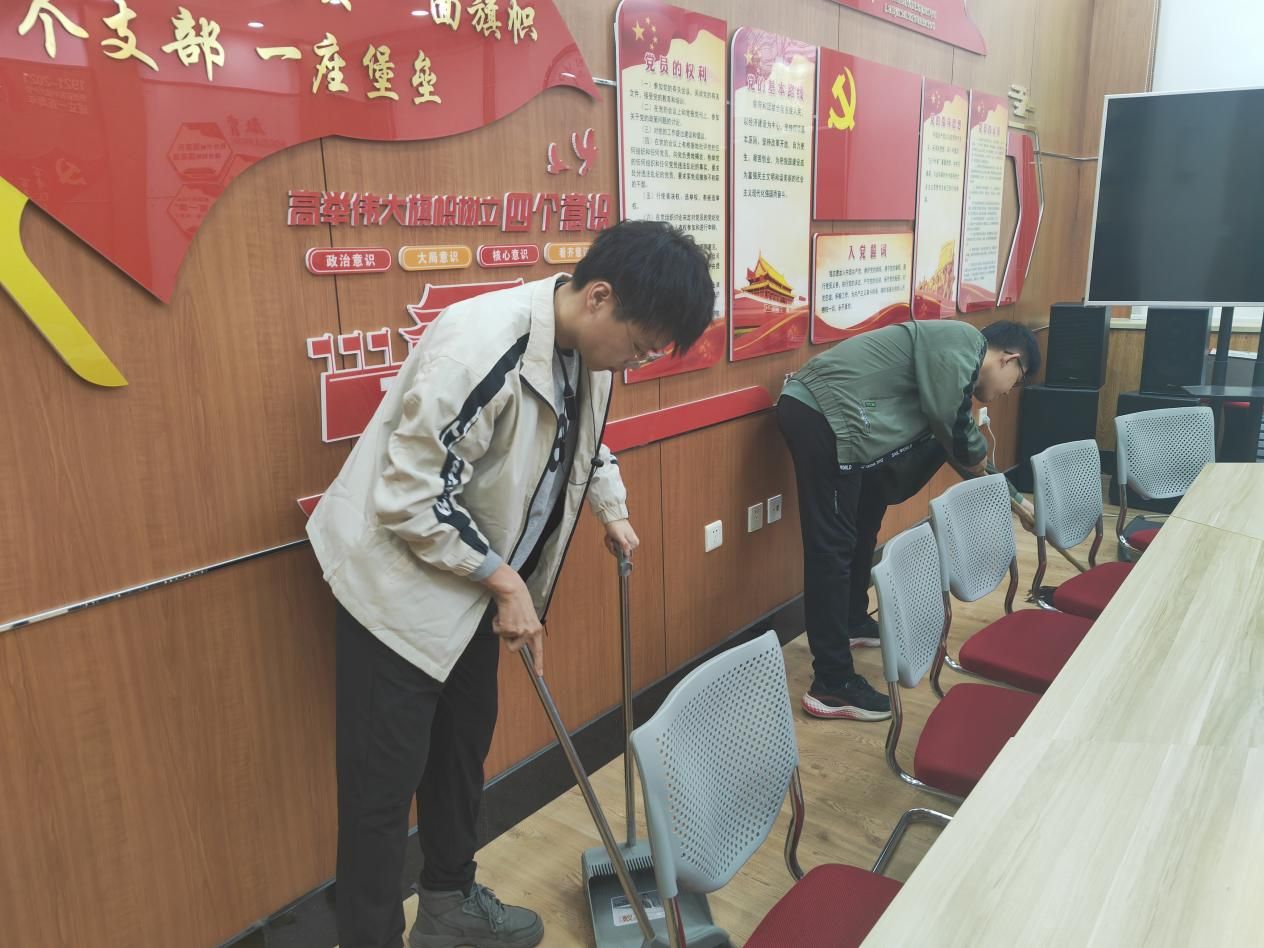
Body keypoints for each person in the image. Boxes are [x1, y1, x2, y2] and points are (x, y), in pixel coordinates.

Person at [306, 220, 715, 948]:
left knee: (460, 753)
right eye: (641, 345)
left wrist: (611, 509)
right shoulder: (481, 343)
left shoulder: (588, 351)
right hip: (394, 592)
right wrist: (503, 581)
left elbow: (582, 439)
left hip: (466, 586)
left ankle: (447, 906)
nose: (637, 362)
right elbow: (409, 495)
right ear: (599, 297)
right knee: (381, 791)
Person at [777, 319, 1040, 722]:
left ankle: (851, 621)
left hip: (846, 425)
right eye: (1016, 382)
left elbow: (959, 446)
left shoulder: (950, 375)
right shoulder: (964, 343)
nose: (1007, 393)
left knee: (865, 522)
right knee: (831, 548)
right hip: (822, 415)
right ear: (1010, 359)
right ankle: (831, 683)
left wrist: (1018, 502)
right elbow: (955, 430)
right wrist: (997, 480)